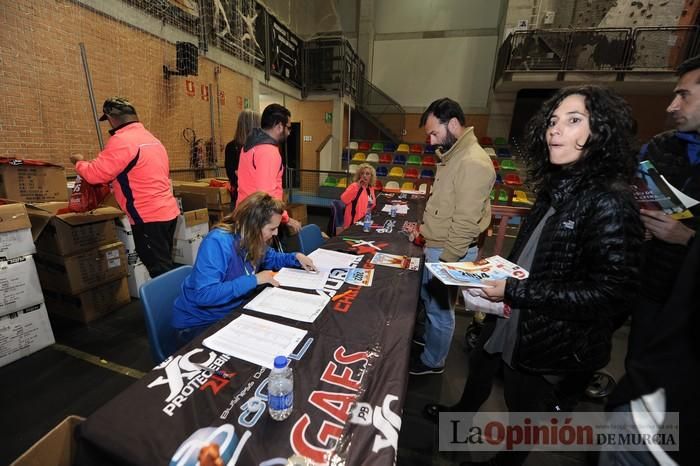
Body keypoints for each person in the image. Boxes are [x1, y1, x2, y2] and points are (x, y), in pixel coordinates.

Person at [435, 86, 644, 466]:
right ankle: (455, 424)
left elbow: (612, 294)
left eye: (573, 120)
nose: (555, 130)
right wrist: (498, 275)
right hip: (511, 313)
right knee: (481, 368)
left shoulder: (610, 200)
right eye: (552, 121)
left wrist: (518, 292)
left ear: (601, 132)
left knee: (523, 413)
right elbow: (535, 254)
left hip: (546, 336)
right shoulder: (557, 189)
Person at [409, 97, 496, 376]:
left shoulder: (473, 162)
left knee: (441, 312)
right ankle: (430, 343)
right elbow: (444, 207)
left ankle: (433, 361)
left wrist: (445, 263)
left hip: (450, 252)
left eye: (435, 132)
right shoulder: (453, 156)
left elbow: (465, 223)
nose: (432, 140)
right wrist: (423, 235)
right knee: (430, 301)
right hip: (437, 247)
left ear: (454, 124)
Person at [623, 55, 700, 367]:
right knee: (638, 367)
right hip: (650, 287)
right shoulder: (659, 147)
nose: (671, 106)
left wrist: (688, 239)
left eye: (683, 95)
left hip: (693, 300)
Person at [171, 192, 316, 346]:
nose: (276, 233)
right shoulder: (217, 242)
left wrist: (295, 257)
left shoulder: (254, 237)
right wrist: (255, 279)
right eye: (272, 228)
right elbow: (204, 294)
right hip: (199, 323)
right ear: (253, 225)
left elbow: (271, 257)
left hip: (233, 311)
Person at [69, 96, 180, 277]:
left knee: (160, 272)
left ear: (111, 118)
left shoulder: (122, 140)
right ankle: (172, 300)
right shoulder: (151, 139)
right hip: (167, 212)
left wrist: (79, 162)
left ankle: (172, 304)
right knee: (164, 263)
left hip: (148, 217)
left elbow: (95, 175)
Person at [236, 103, 302, 234]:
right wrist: (286, 219)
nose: (289, 132)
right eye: (288, 128)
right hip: (259, 220)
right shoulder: (269, 151)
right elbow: (267, 195)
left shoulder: (249, 145)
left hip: (245, 214)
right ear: (279, 126)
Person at [224, 110, 260, 208]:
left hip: (258, 199)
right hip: (241, 199)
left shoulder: (260, 147)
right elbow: (232, 174)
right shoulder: (232, 147)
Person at [339, 163, 376, 231]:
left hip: (365, 221)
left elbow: (372, 205)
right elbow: (344, 199)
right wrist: (357, 187)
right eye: (362, 173)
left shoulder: (371, 188)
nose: (364, 176)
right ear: (359, 175)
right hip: (353, 223)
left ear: (371, 176)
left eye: (367, 174)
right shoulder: (354, 186)